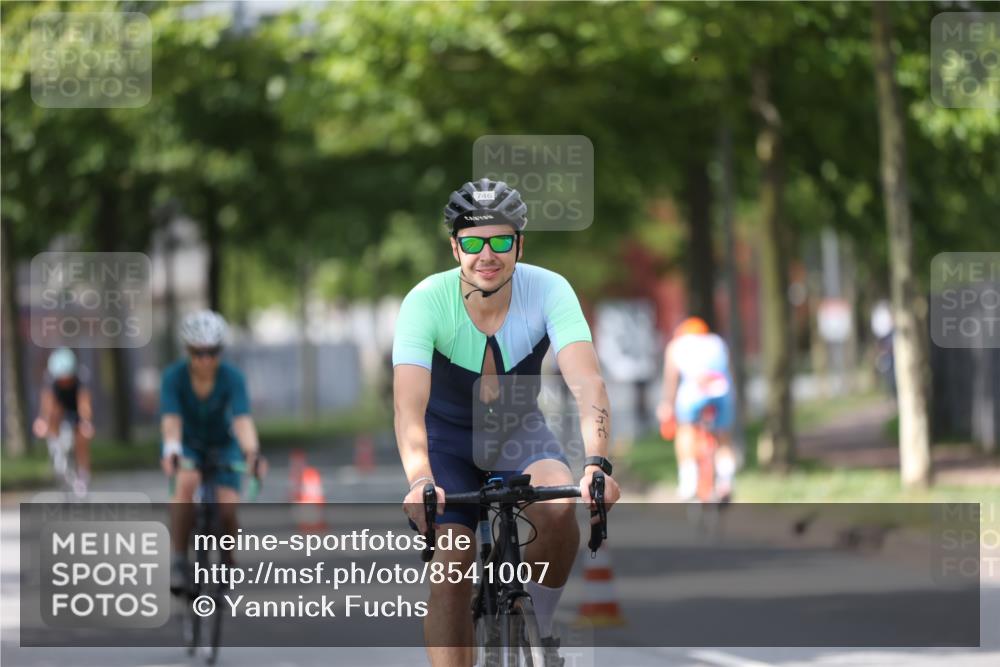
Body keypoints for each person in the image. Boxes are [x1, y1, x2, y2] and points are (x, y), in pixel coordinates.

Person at [393, 178, 621, 667]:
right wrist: (419, 479)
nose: (487, 255)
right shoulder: (426, 301)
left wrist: (597, 463)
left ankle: (535, 631)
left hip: (520, 434)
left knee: (558, 507)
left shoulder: (549, 289)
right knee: (453, 565)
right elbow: (408, 409)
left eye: (501, 240)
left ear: (520, 243)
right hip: (447, 443)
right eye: (473, 242)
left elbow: (588, 383)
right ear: (455, 246)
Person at [160, 310, 265, 593]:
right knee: (184, 486)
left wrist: (252, 453)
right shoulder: (173, 377)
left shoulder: (232, 377)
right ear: (188, 351)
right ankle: (180, 562)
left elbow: (242, 419)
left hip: (224, 443)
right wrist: (171, 450)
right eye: (198, 353)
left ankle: (228, 560)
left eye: (212, 352)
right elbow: (171, 419)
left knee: (228, 505)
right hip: (187, 443)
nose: (205, 360)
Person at [656, 316, 737, 501]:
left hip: (694, 393)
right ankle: (726, 481)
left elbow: (671, 380)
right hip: (720, 390)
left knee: (685, 429)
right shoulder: (717, 342)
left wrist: (667, 404)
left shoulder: (676, 345)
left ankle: (689, 481)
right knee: (723, 438)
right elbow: (728, 371)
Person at [33, 347, 94, 496]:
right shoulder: (51, 381)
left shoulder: (80, 379)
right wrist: (42, 421)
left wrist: (86, 422)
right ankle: (56, 449)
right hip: (59, 410)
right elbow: (47, 404)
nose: (65, 382)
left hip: (75, 409)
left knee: (82, 438)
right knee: (53, 418)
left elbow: (84, 403)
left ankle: (83, 474)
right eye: (62, 379)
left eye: (68, 378)